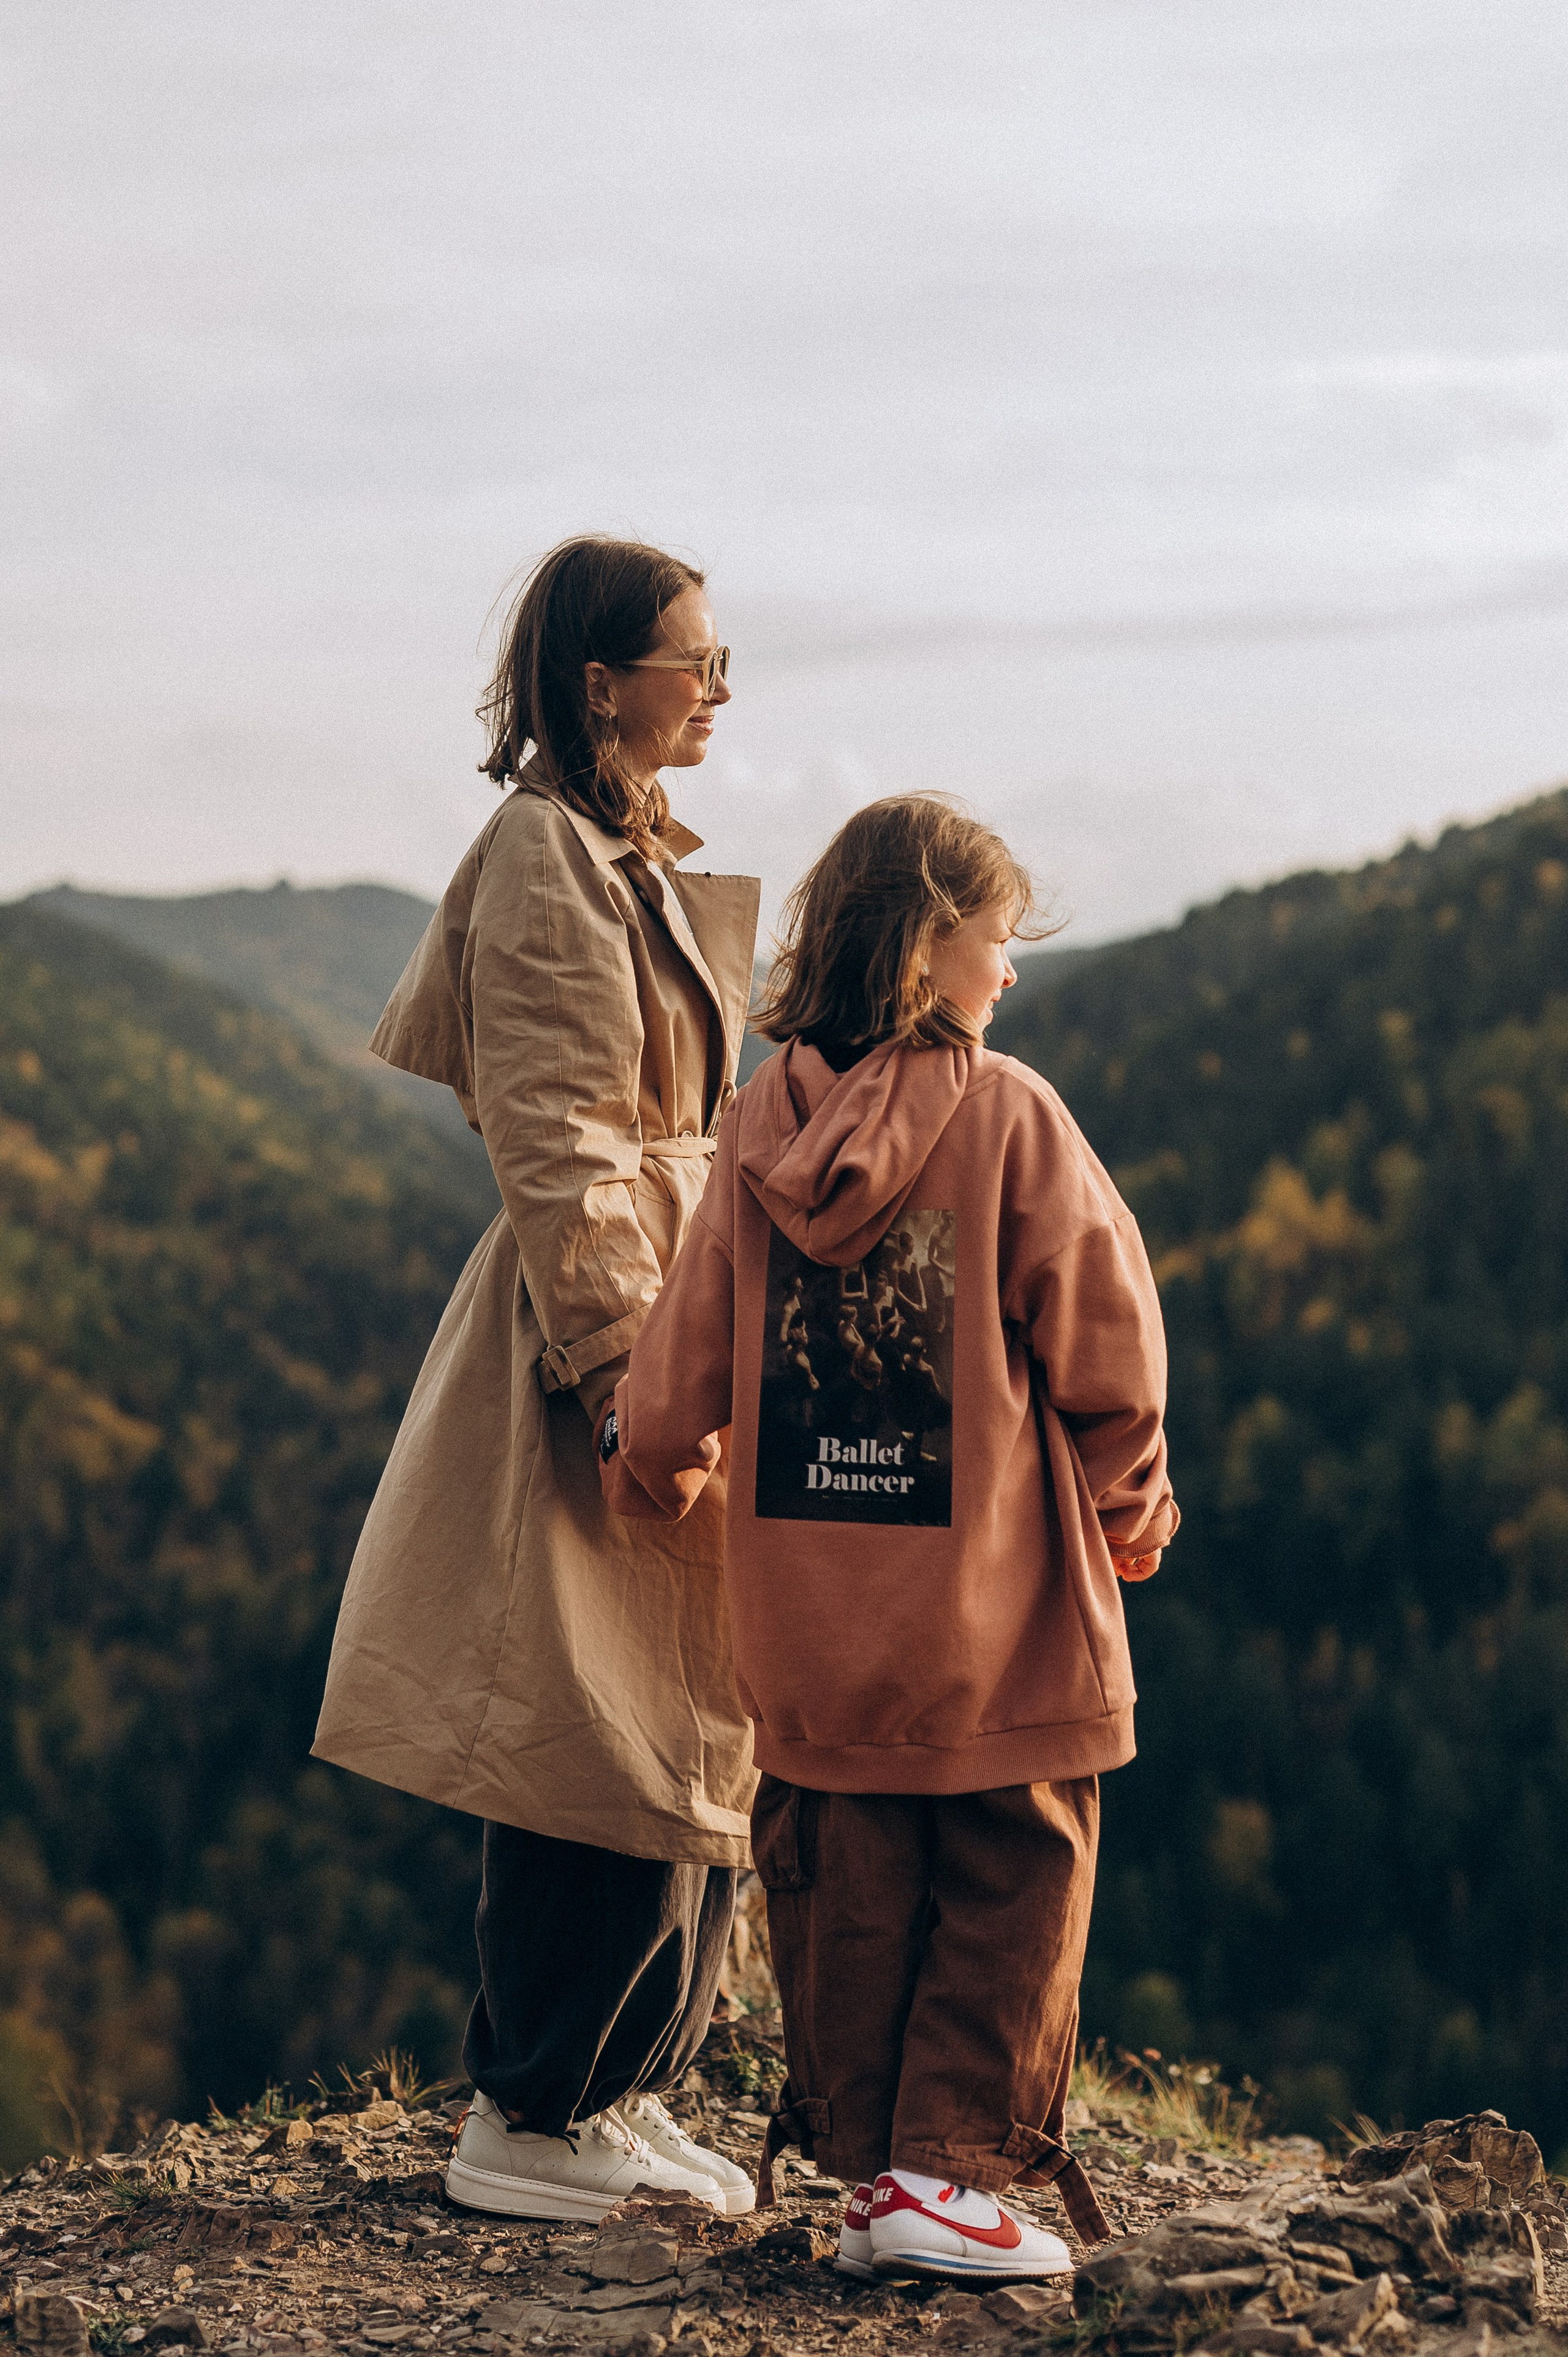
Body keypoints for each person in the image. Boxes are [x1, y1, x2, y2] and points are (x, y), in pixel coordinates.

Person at [596, 795, 1178, 2283]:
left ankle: (873, 2176)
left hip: (812, 1621)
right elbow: (1102, 1334)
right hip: (988, 1613)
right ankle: (950, 2174)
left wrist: (655, 1465)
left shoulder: (753, 1121)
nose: (1009, 975)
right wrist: (1130, 1498)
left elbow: (688, 1334)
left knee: (842, 1880)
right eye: (997, 942)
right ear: (929, 946)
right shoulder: (1003, 1114)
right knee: (1012, 1863)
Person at [312, 535, 761, 2223]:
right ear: (601, 680)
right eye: (693, 660)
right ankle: (534, 2113)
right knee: (593, 1719)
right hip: (604, 1316)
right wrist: (628, 1366)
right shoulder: (540, 858)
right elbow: (563, 1134)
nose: (717, 690)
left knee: (685, 1714)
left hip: (674, 1287)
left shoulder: (616, 853)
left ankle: (623, 2089)